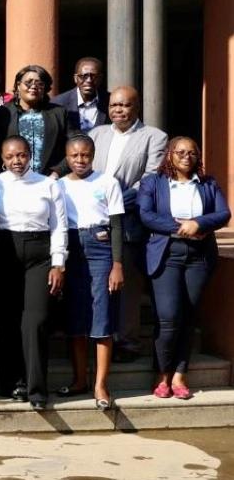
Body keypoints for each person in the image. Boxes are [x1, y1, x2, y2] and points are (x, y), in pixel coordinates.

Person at [139, 137, 230, 400]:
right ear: (170, 155)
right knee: (168, 317)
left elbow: (223, 214)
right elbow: (146, 215)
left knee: (188, 316)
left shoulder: (208, 184)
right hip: (166, 254)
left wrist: (199, 223)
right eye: (180, 152)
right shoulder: (153, 183)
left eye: (192, 153)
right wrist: (182, 227)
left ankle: (179, 375)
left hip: (198, 257)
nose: (186, 156)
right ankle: (162, 373)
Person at [0, 136, 67, 410]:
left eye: (21, 155)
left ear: (30, 155)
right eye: (10, 156)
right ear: (2, 159)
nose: (16, 161)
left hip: (40, 254)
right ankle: (12, 382)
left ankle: (37, 389)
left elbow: (59, 226)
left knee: (36, 320)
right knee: (9, 321)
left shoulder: (48, 184)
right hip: (5, 250)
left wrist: (58, 263)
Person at [89, 86, 168, 361]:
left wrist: (114, 202)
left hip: (130, 220)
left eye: (124, 105)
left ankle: (128, 343)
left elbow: (149, 179)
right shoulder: (96, 134)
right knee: (98, 281)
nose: (118, 110)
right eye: (114, 105)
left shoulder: (154, 137)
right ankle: (100, 338)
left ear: (137, 107)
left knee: (128, 286)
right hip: (95, 220)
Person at [57, 134, 125, 410]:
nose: (80, 160)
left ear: (93, 155)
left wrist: (117, 264)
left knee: (102, 316)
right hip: (70, 246)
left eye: (85, 155)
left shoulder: (107, 182)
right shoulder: (58, 185)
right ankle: (79, 380)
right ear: (67, 157)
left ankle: (100, 384)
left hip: (100, 246)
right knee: (76, 318)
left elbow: (118, 225)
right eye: (74, 156)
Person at [0, 65, 69, 177]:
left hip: (49, 181)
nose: (34, 86)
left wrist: (57, 172)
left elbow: (73, 145)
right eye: (28, 82)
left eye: (39, 84)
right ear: (18, 85)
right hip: (11, 182)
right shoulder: (2, 113)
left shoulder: (59, 113)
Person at [51, 57, 109, 134]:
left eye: (94, 76)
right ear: (75, 79)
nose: (89, 80)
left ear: (100, 79)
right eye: (84, 76)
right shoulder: (58, 104)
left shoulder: (110, 101)